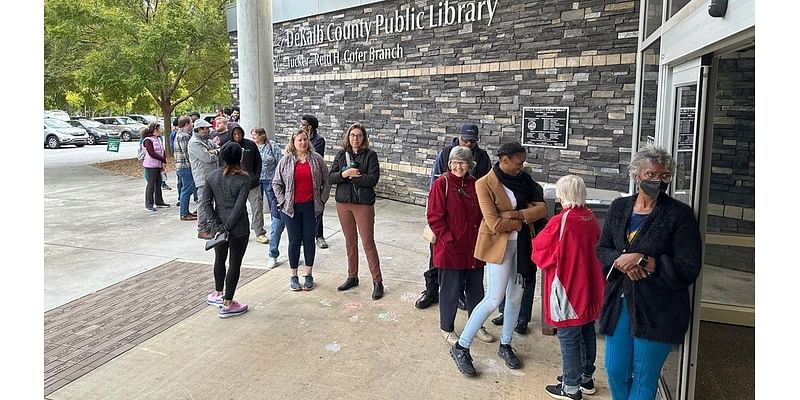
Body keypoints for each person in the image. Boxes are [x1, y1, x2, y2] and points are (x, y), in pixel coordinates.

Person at [597, 146, 701, 400]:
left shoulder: (679, 215)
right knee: (615, 370)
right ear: (637, 176)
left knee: (644, 376)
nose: (658, 181)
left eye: (665, 176)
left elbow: (688, 267)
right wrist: (624, 262)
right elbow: (603, 248)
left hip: (659, 309)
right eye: (651, 174)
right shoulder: (619, 207)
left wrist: (645, 261)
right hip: (620, 303)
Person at [449, 142, 547, 377]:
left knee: (515, 298)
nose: (521, 167)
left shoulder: (525, 180)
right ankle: (461, 346)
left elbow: (542, 209)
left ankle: (505, 344)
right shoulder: (485, 183)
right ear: (504, 160)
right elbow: (493, 223)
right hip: (498, 247)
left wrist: (516, 215)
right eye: (518, 162)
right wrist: (525, 219)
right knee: (494, 298)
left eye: (522, 162)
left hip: (523, 247)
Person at [533, 175, 605, 400]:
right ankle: (585, 378)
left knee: (568, 336)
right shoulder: (590, 217)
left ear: (563, 194)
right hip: (589, 285)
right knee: (586, 331)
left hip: (567, 286)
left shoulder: (560, 220)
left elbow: (541, 250)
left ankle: (570, 387)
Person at [416, 123, 491, 310]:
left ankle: (460, 293)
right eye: (466, 139)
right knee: (437, 256)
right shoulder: (446, 154)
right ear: (460, 136)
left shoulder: (482, 157)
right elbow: (436, 182)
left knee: (467, 261)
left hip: (470, 213)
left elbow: (487, 183)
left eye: (473, 141)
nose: (469, 144)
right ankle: (432, 291)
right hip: (446, 211)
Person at [427, 146, 496, 346]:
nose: (459, 167)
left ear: (470, 165)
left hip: (474, 248)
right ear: (449, 164)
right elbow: (435, 217)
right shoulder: (442, 184)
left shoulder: (477, 184)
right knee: (450, 290)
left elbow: (485, 212)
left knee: (476, 289)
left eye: (463, 162)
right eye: (455, 162)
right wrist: (449, 239)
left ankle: (476, 326)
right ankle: (446, 327)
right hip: (451, 249)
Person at [329, 123, 384, 300]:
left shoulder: (370, 155)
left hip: (363, 204)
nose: (355, 138)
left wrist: (355, 177)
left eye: (359, 135)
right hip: (343, 203)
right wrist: (344, 175)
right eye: (352, 135)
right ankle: (352, 276)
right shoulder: (340, 155)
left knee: (368, 242)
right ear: (348, 137)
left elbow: (373, 179)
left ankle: (377, 281)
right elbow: (331, 177)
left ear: (363, 138)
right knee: (350, 242)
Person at [272, 129, 331, 291]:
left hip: (311, 206)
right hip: (291, 208)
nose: (303, 143)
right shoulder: (286, 160)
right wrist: (283, 201)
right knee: (294, 240)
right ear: (294, 142)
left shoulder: (317, 159)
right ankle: (294, 275)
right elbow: (276, 183)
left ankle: (309, 274)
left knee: (309, 240)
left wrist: (322, 199)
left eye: (305, 139)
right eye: (299, 140)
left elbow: (327, 180)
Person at [203, 141, 251, 318]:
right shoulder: (244, 178)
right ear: (240, 157)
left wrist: (217, 226)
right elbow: (239, 207)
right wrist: (227, 227)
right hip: (238, 228)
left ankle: (217, 293)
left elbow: (205, 203)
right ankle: (228, 303)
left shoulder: (212, 176)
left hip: (218, 226)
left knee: (219, 259)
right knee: (235, 264)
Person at [252, 127, 286, 269]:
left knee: (274, 204)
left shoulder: (272, 146)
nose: (254, 137)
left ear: (262, 135)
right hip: (255, 180)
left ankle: (274, 221)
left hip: (271, 180)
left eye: (255, 135)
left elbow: (280, 162)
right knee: (256, 205)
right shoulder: (251, 147)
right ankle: (258, 230)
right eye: (252, 135)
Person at [230, 123, 268, 244]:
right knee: (237, 209)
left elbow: (258, 161)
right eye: (235, 134)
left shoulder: (250, 145)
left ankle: (259, 232)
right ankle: (235, 231)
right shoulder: (228, 146)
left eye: (239, 133)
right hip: (235, 184)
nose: (237, 136)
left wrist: (256, 176)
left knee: (257, 207)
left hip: (252, 183)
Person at [188, 118, 221, 239]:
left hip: (212, 175)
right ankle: (202, 229)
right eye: (206, 128)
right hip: (203, 178)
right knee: (203, 203)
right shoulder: (194, 143)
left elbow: (218, 148)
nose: (209, 130)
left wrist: (214, 151)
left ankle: (211, 226)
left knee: (211, 202)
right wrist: (216, 153)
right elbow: (207, 157)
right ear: (199, 130)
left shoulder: (206, 141)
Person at [301, 114, 329, 249]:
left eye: (303, 125)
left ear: (310, 127)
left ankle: (319, 236)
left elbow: (313, 156)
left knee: (317, 209)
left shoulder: (319, 140)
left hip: (315, 179)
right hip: (301, 179)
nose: (301, 127)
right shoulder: (299, 138)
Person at [141, 123, 171, 212]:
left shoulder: (158, 139)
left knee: (158, 183)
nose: (160, 131)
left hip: (158, 165)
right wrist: (162, 159)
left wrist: (163, 160)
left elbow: (162, 150)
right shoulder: (148, 140)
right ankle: (149, 204)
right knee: (151, 184)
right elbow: (151, 153)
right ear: (154, 130)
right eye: (159, 129)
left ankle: (159, 201)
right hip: (150, 165)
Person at [174, 116, 197, 221]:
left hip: (182, 166)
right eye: (191, 123)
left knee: (186, 188)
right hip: (185, 166)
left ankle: (186, 211)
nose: (192, 125)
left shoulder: (180, 134)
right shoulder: (184, 136)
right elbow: (187, 152)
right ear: (187, 124)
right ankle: (184, 213)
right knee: (187, 189)